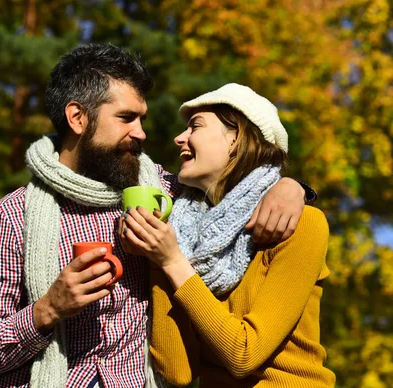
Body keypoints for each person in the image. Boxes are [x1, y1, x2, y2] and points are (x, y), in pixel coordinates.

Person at [0, 44, 311, 388]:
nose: (142, 132)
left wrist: (293, 188)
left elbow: (234, 187)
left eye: (141, 118)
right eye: (126, 118)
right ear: (78, 118)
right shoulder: (14, 217)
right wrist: (48, 309)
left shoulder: (167, 195)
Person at [119, 83, 336, 387]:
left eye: (195, 126)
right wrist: (156, 259)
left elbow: (244, 355)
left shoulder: (300, 225)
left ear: (236, 137)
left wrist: (171, 261)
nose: (179, 138)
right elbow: (177, 372)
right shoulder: (183, 234)